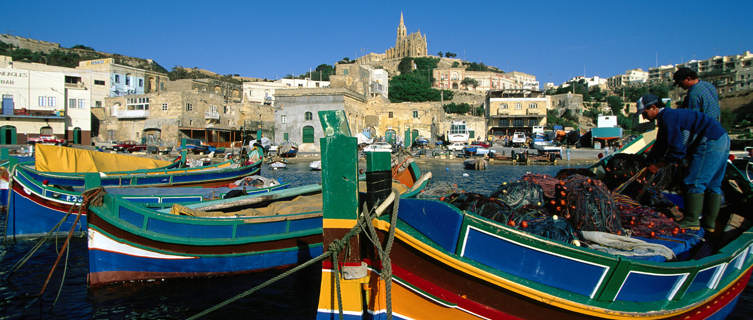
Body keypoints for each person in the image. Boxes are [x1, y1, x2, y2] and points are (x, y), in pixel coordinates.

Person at [636, 94, 729, 231]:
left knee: (694, 182)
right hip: (722, 138)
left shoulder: (668, 118)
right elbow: (661, 145)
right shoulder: (668, 117)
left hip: (709, 142)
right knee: (713, 184)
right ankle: (709, 225)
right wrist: (649, 161)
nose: (643, 117)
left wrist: (657, 166)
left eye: (644, 113)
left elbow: (677, 152)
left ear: (653, 107)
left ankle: (691, 221)